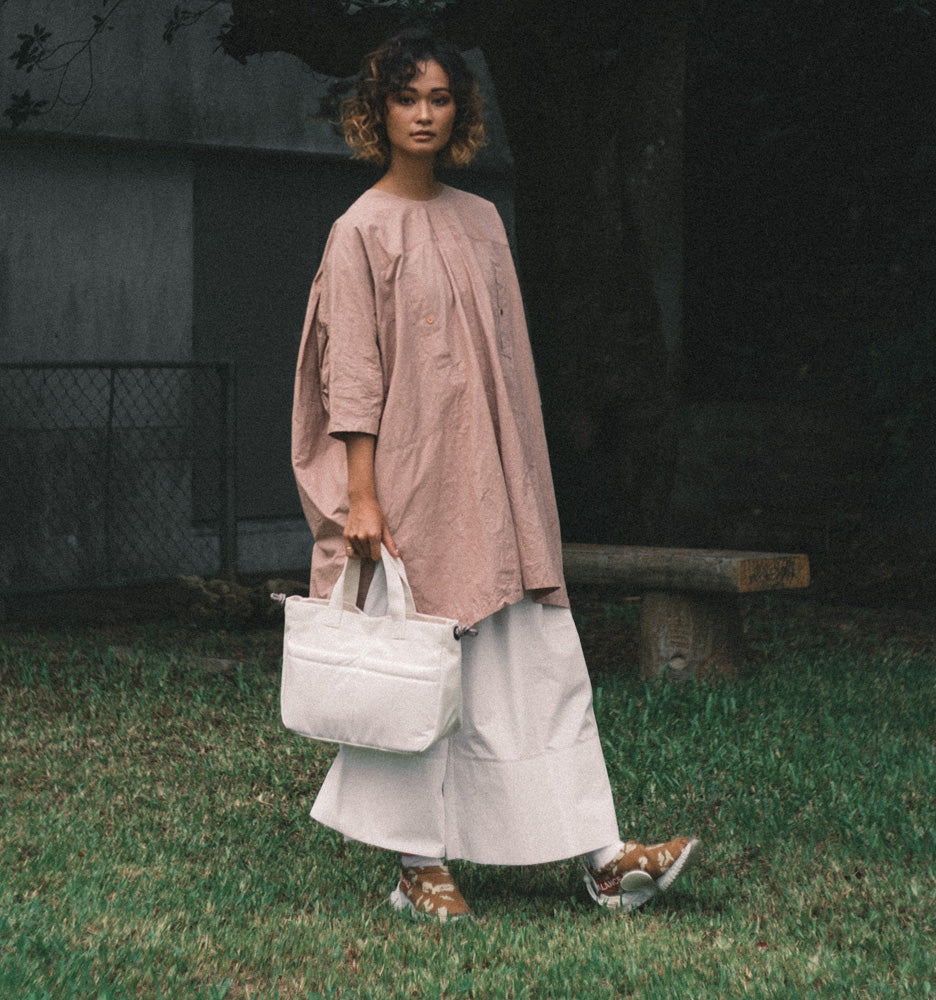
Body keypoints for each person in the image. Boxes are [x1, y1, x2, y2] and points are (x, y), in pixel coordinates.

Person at [291, 29, 698, 922]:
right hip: (407, 487)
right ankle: (417, 867)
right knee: (413, 669)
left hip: (498, 484)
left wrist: (520, 484)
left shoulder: (482, 222)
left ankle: (603, 859)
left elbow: (508, 367)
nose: (424, 115)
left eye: (440, 99)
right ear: (378, 112)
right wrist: (363, 496)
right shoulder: (359, 230)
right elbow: (349, 372)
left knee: (535, 660)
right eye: (407, 99)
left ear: (461, 110)